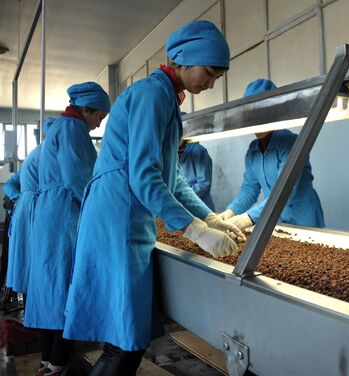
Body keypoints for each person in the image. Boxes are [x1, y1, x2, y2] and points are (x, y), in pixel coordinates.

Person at [63, 20, 242, 376]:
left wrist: (210, 218)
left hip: (125, 214)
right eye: (208, 73)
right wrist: (195, 232)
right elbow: (144, 176)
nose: (210, 83)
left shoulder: (167, 101)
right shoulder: (152, 94)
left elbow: (172, 178)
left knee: (127, 338)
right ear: (185, 62)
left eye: (216, 77)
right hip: (119, 216)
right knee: (125, 342)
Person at [24, 83, 109, 376]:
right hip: (64, 216)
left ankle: (47, 363)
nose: (100, 122)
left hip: (50, 215)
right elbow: (79, 178)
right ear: (86, 110)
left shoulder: (60, 128)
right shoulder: (73, 129)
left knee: (51, 290)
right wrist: (103, 209)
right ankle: (58, 365)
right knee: (66, 291)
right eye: (99, 115)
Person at [220, 79, 325, 230]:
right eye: (251, 116)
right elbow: (249, 190)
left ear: (275, 113)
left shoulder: (290, 143)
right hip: (275, 217)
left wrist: (248, 218)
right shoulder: (253, 151)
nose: (256, 122)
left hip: (304, 218)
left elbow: (285, 190)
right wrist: (230, 212)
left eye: (262, 115)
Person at [5, 118, 55, 294]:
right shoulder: (49, 155)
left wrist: (19, 197)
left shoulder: (33, 154)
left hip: (25, 209)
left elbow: (9, 184)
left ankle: (30, 315)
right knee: (37, 263)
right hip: (35, 210)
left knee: (27, 262)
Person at [178, 137, 215, 211]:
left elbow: (204, 185)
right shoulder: (173, 153)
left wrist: (181, 195)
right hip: (184, 209)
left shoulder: (198, 151)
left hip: (201, 207)